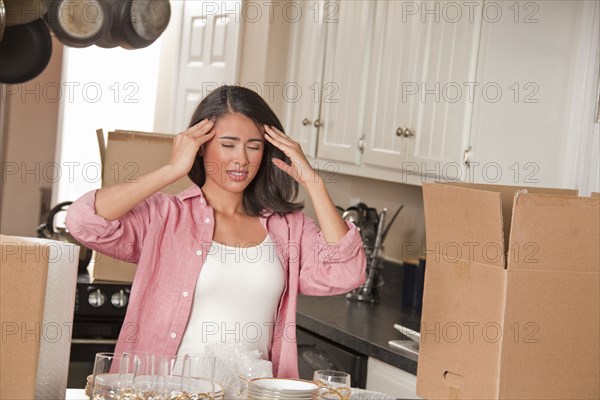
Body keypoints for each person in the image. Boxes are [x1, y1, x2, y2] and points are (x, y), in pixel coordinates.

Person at [65, 85, 367, 378]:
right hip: (169, 390)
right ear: (199, 147)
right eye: (228, 144)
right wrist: (172, 170)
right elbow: (83, 220)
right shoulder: (166, 216)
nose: (242, 159)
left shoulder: (287, 226)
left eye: (254, 146)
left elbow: (347, 273)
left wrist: (314, 183)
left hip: (251, 391)